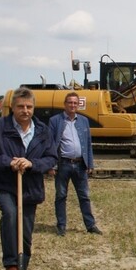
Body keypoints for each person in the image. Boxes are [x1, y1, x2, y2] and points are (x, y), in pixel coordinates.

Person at [0, 87, 57, 270]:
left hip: (30, 187)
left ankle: (21, 269)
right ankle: (11, 264)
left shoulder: (43, 131)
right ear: (12, 107)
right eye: (20, 106)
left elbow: (52, 157)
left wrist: (33, 163)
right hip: (3, 183)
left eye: (29, 106)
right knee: (11, 214)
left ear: (34, 108)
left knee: (26, 231)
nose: (25, 110)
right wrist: (8, 162)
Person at [49, 92, 102, 236]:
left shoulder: (84, 121)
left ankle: (90, 226)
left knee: (84, 196)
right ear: (65, 104)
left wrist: (90, 163)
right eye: (70, 103)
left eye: (75, 103)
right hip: (63, 164)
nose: (72, 105)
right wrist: (51, 165)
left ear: (78, 105)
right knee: (61, 196)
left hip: (80, 165)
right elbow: (51, 144)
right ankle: (61, 226)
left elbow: (88, 143)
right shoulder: (55, 121)